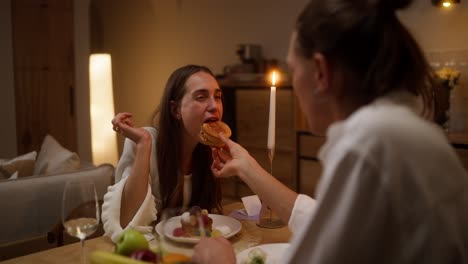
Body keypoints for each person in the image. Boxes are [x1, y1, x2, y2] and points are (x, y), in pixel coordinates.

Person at [192, 0, 468, 263]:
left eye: (294, 68)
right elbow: (324, 220)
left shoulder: (370, 143)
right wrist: (247, 167)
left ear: (321, 72)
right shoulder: (401, 129)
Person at [102, 65, 224, 242]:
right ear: (175, 110)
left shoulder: (208, 151)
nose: (214, 106)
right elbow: (126, 224)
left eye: (218, 97)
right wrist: (143, 144)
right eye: (201, 97)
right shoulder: (145, 140)